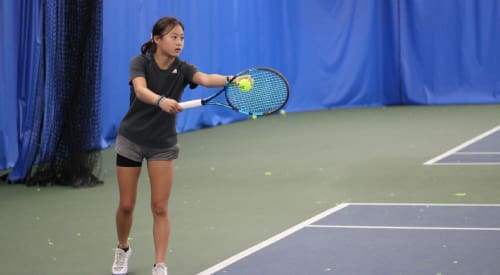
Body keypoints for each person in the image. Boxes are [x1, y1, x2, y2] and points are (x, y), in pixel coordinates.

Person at [111, 16, 245, 275]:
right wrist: (161, 101)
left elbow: (205, 79)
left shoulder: (183, 69)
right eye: (173, 36)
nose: (179, 42)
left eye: (182, 37)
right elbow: (140, 91)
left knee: (160, 207)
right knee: (127, 204)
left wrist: (231, 79)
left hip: (162, 144)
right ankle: (123, 247)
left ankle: (160, 264)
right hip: (131, 141)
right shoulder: (140, 63)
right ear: (156, 39)